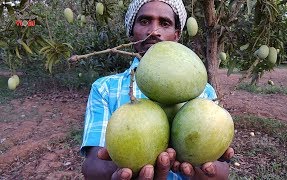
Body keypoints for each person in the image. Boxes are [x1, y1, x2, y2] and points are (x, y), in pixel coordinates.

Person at [80, 0, 234, 179]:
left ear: (176, 35)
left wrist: (201, 165)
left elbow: (221, 173)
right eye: (144, 21)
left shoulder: (202, 94)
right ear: (131, 32)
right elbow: (92, 166)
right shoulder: (105, 89)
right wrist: (127, 164)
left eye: (165, 23)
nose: (153, 31)